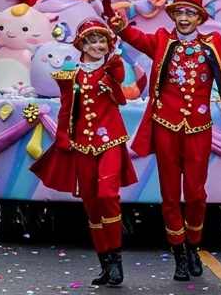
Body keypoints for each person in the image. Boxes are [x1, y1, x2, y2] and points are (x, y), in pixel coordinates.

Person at [109, 0, 221, 281]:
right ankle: (178, 252)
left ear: (200, 17)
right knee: (168, 195)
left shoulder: (213, 44)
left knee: (195, 194)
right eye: (180, 11)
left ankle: (193, 247)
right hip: (166, 127)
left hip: (198, 130)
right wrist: (120, 26)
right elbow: (134, 38)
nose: (184, 17)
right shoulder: (162, 41)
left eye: (190, 12)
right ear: (174, 15)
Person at [31, 18, 135, 288]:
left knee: (107, 195)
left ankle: (115, 258)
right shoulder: (71, 76)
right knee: (91, 204)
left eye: (102, 41)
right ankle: (104, 263)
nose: (98, 45)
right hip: (82, 145)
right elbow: (66, 109)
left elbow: (120, 88)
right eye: (92, 41)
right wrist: (64, 137)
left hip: (110, 141)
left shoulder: (112, 68)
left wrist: (114, 65)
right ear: (82, 45)